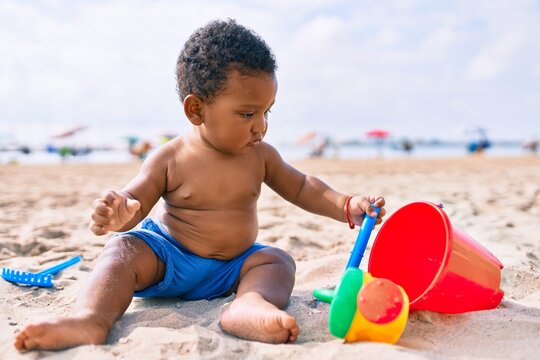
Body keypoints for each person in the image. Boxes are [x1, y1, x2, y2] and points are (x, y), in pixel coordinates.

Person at [14, 19, 385, 351]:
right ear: (197, 110)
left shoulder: (261, 155)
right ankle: (90, 319)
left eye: (266, 111)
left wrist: (344, 204)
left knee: (276, 260)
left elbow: (303, 186)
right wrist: (120, 213)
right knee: (122, 251)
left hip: (232, 268)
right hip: (168, 258)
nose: (261, 126)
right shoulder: (170, 158)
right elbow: (136, 201)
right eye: (246, 113)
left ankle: (248, 305)